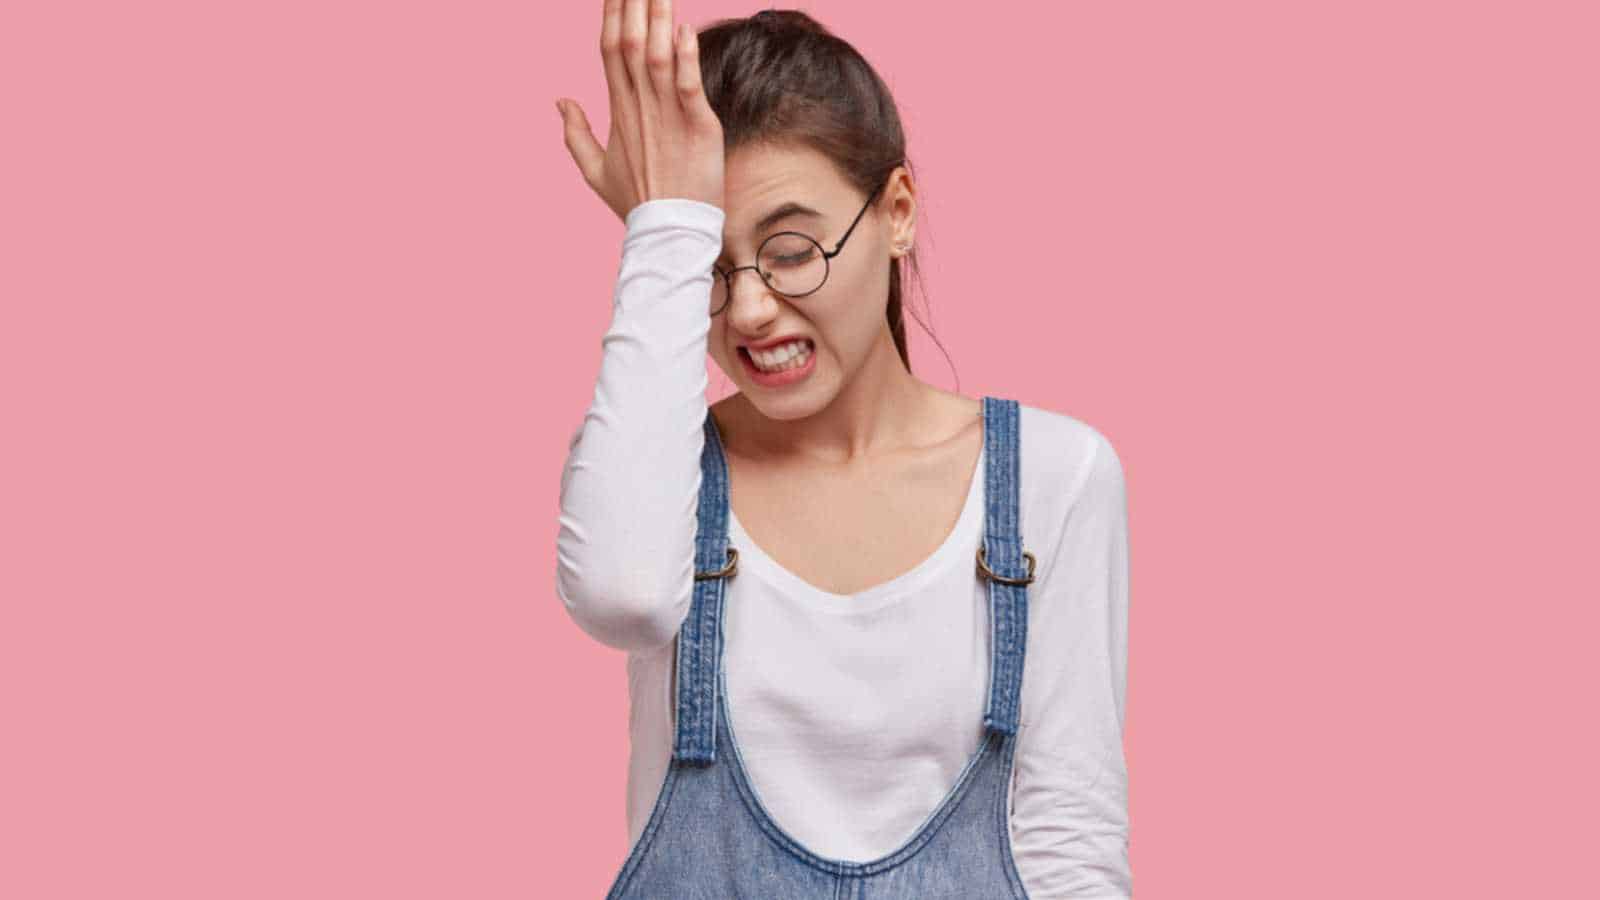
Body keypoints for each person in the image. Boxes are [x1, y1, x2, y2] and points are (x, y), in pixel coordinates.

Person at [554, 4, 1131, 897]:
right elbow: (620, 598)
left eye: (790, 250)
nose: (747, 311)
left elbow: (1070, 846)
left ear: (896, 212)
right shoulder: (657, 474)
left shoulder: (1057, 480)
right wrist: (662, 228)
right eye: (710, 266)